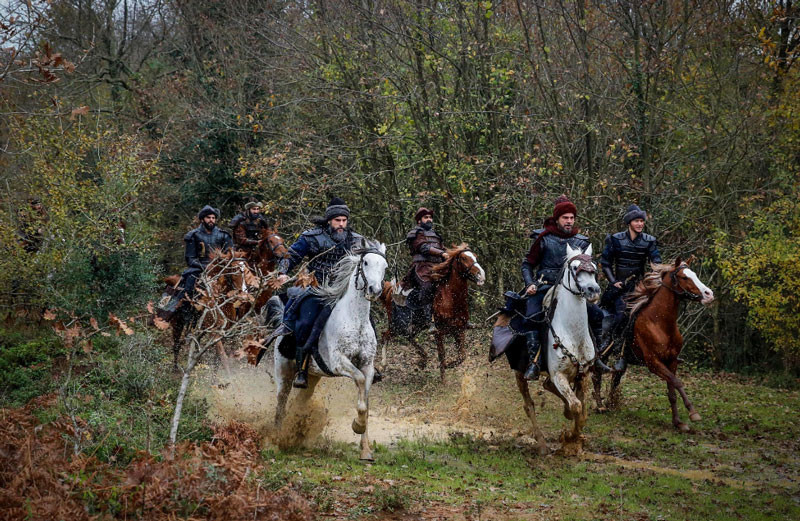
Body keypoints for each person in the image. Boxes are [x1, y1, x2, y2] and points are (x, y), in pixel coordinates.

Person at [273, 197, 365, 388]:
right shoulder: (311, 237)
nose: (341, 224)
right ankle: (301, 369)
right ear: (329, 220)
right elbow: (291, 256)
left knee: (366, 320)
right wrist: (282, 272)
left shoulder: (355, 240)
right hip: (317, 289)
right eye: (337, 220)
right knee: (305, 323)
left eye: (344, 220)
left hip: (344, 292)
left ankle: (367, 361)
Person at [520, 195, 609, 380]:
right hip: (546, 287)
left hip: (574, 291)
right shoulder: (543, 238)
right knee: (531, 315)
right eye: (565, 218)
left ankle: (597, 358)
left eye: (571, 218)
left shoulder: (582, 241)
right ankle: (534, 363)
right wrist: (530, 284)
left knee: (597, 315)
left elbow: (587, 270)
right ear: (557, 219)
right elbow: (527, 264)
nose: (569, 221)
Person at [599, 204, 662, 371]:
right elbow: (605, 263)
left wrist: (654, 277)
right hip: (620, 288)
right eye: (637, 221)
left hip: (639, 288)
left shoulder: (649, 241)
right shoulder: (616, 239)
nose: (640, 224)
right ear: (629, 222)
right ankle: (615, 351)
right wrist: (613, 281)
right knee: (621, 316)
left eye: (642, 221)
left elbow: (656, 262)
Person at [401, 207, 446, 324]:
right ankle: (429, 320)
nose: (429, 219)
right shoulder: (415, 233)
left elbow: (444, 249)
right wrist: (442, 253)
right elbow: (423, 248)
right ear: (419, 221)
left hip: (438, 267)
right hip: (421, 268)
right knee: (427, 286)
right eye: (426, 217)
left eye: (430, 217)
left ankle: (459, 318)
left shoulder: (436, 235)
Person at [181, 205, 233, 298]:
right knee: (189, 286)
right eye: (208, 217)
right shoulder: (193, 235)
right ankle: (187, 308)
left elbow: (230, 255)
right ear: (202, 219)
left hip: (221, 268)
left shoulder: (224, 235)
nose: (211, 220)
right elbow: (190, 259)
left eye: (213, 218)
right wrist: (205, 267)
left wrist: (221, 266)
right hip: (199, 268)